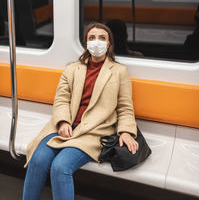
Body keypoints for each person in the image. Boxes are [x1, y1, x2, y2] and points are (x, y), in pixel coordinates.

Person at [23, 22, 138, 200]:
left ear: (109, 44)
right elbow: (62, 99)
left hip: (93, 132)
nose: (96, 42)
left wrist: (126, 132)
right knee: (37, 161)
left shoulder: (119, 72)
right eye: (91, 38)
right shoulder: (72, 69)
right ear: (86, 43)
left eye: (102, 38)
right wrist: (63, 121)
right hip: (64, 127)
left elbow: (125, 107)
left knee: (60, 167)